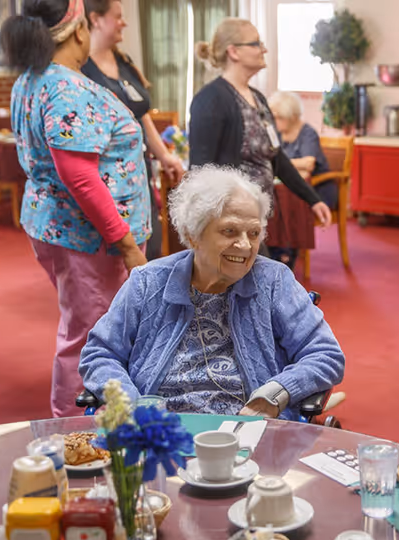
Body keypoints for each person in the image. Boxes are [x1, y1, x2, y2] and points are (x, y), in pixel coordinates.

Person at [79, 166, 345, 419]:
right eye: (229, 231)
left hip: (247, 430)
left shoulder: (274, 281)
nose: (244, 245)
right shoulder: (148, 282)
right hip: (160, 432)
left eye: (253, 233)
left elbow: (325, 354)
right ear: (193, 233)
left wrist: (277, 393)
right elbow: (100, 353)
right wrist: (132, 406)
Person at [1, 0, 150, 417]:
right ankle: (72, 431)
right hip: (86, 237)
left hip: (60, 228)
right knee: (90, 334)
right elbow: (81, 179)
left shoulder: (34, 79)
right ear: (80, 31)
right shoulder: (66, 88)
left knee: (87, 326)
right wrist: (127, 245)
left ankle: (95, 417)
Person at [188, 18, 332, 268]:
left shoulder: (258, 99)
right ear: (233, 51)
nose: (263, 49)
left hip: (255, 220)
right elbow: (201, 172)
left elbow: (275, 158)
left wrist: (313, 199)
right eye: (256, 43)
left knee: (258, 290)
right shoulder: (211, 99)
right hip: (229, 225)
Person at [81, 0, 185, 261]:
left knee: (151, 243)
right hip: (109, 177)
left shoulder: (123, 61)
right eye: (118, 17)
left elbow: (141, 115)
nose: (124, 23)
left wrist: (165, 156)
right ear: (96, 19)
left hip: (141, 170)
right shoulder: (82, 69)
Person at [268, 91, 338, 266]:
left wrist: (281, 164)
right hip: (287, 188)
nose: (274, 121)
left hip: (316, 190)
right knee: (270, 201)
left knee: (286, 201)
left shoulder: (307, 133)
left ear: (291, 117)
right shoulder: (276, 133)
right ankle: (273, 252)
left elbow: (308, 163)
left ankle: (286, 253)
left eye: (278, 117)